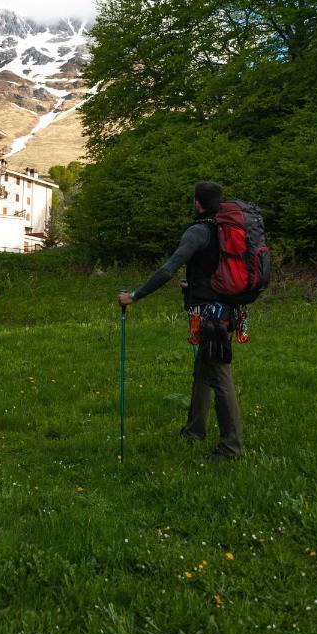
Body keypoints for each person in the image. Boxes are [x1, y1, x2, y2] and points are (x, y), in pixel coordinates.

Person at [118, 181, 243, 462]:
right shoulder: (224, 230)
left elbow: (167, 269)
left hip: (210, 314)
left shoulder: (199, 231)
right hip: (226, 307)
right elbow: (214, 270)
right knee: (203, 368)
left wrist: (134, 296)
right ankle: (194, 430)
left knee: (220, 375)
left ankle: (231, 448)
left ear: (197, 202)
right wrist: (195, 285)